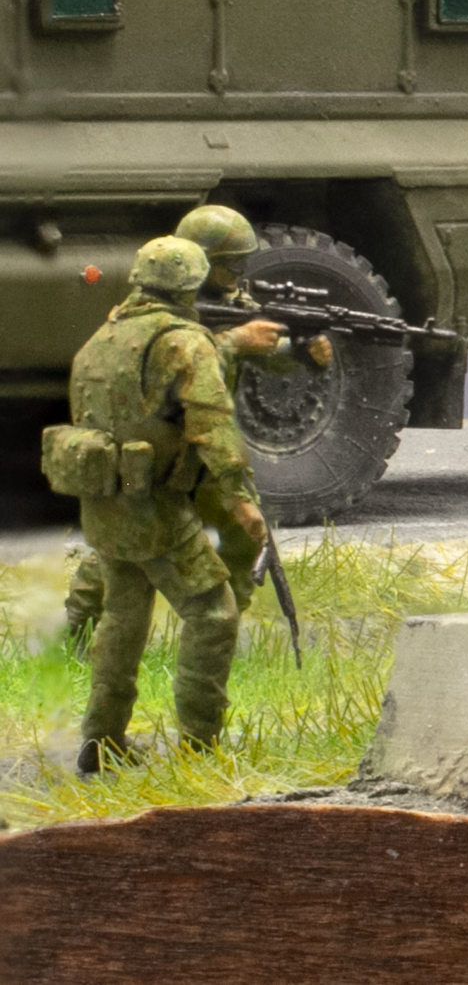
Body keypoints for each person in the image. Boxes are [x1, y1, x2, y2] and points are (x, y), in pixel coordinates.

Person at [59, 206, 329, 645]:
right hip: (161, 445)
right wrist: (233, 342)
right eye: (229, 266)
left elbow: (258, 352)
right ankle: (77, 630)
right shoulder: (153, 310)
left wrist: (300, 352)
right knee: (118, 548)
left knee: (245, 535)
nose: (238, 275)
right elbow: (177, 364)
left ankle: (221, 634)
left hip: (208, 445)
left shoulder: (232, 304)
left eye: (241, 264)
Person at [64, 236, 268, 773]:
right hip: (155, 510)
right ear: (191, 286)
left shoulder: (103, 336)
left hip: (105, 504)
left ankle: (101, 741)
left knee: (122, 617)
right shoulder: (184, 342)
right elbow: (212, 424)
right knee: (213, 613)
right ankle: (200, 748)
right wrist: (239, 498)